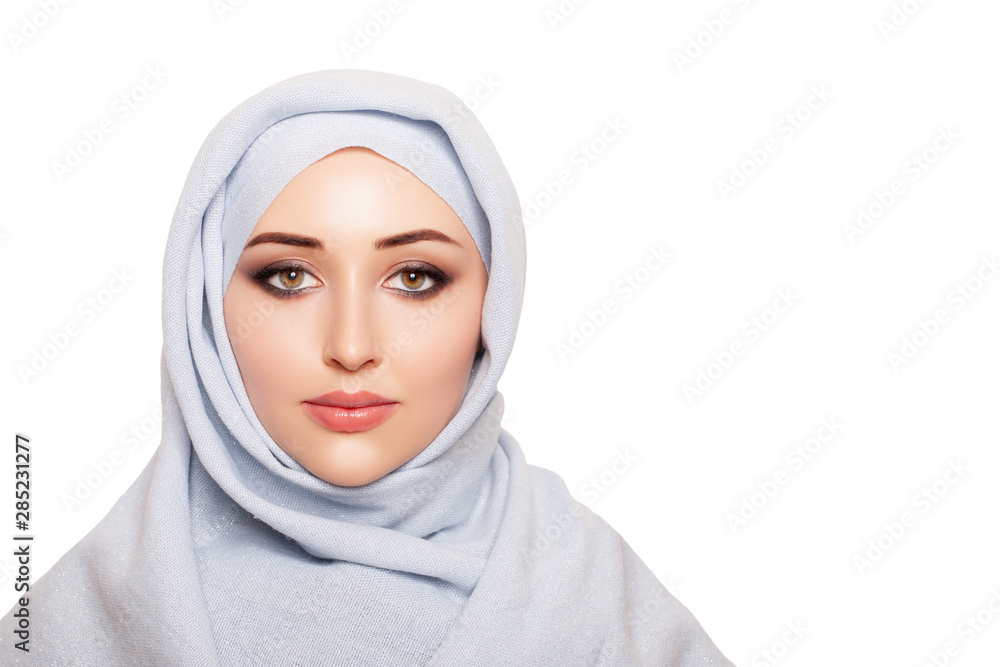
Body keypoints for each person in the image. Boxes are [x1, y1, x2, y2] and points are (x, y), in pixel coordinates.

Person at [1, 69, 733, 665]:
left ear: (494, 306)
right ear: (203, 313)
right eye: (288, 277)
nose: (351, 346)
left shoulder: (591, 594)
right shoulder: (78, 621)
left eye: (416, 278)